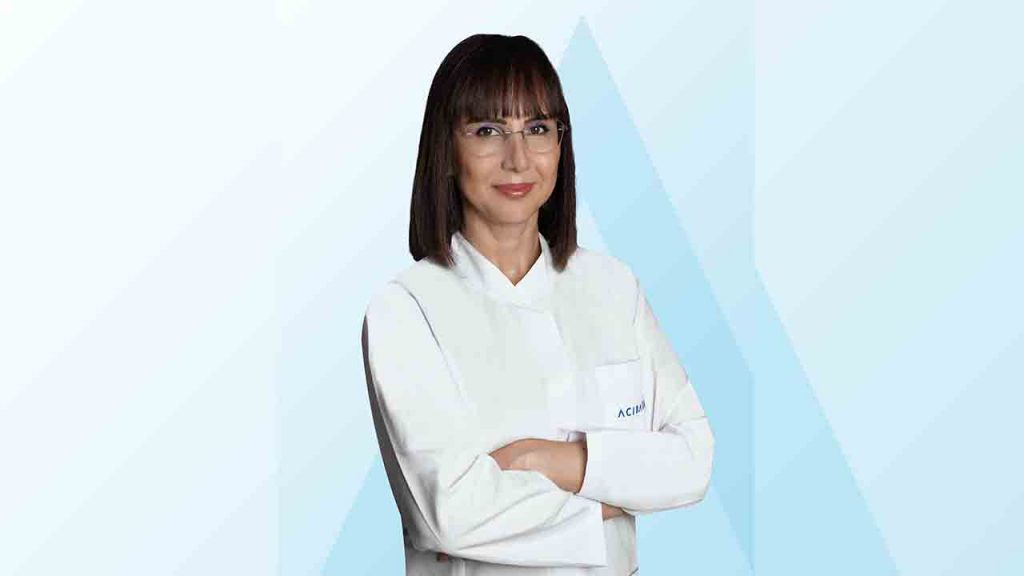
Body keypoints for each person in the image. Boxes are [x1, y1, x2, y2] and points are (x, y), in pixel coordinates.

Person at [360, 33, 714, 575]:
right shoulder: (406, 310)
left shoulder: (614, 288)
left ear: (560, 144)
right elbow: (451, 514)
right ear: (446, 151)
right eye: (488, 130)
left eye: (538, 129)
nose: (518, 158)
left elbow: (693, 460)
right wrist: (620, 495)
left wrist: (546, 461)